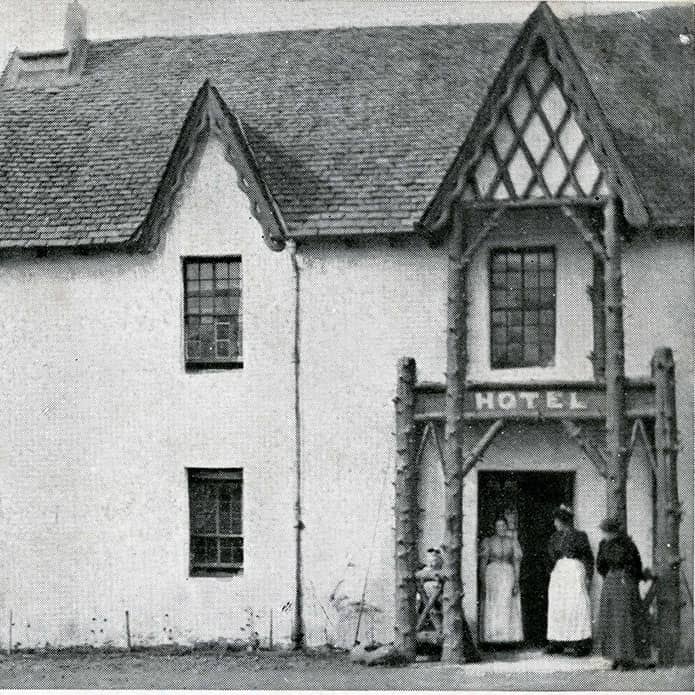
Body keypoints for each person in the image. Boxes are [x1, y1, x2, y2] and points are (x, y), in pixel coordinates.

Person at [596, 517, 650, 670]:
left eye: (606, 531)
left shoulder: (628, 545)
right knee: (610, 620)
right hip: (611, 583)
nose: (604, 535)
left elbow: (636, 565)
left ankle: (627, 658)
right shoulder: (603, 545)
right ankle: (615, 657)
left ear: (614, 532)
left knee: (624, 620)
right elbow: (600, 565)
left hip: (625, 583)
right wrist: (610, 576)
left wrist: (627, 577)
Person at [546, 504, 594, 656]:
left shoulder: (580, 536)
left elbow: (588, 557)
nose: (555, 524)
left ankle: (580, 643)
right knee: (558, 605)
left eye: (557, 521)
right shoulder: (554, 537)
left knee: (576, 605)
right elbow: (550, 557)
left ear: (563, 521)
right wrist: (553, 570)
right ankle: (557, 641)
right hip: (560, 572)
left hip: (575, 570)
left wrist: (588, 576)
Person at [480, 517, 523, 644]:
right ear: (495, 527)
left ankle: (508, 638)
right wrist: (482, 581)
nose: (501, 528)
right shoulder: (488, 541)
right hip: (492, 574)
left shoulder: (513, 542)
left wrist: (516, 582)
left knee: (507, 603)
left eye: (503, 525)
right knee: (494, 605)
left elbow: (516, 563)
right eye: (498, 526)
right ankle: (493, 638)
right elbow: (483, 563)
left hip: (508, 574)